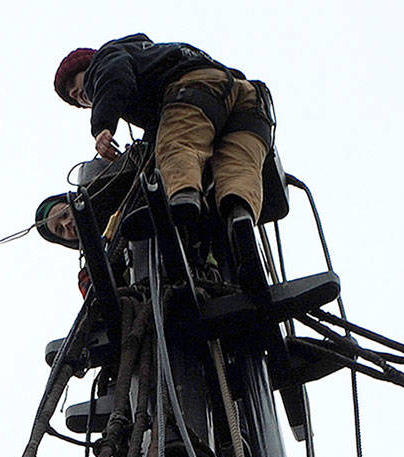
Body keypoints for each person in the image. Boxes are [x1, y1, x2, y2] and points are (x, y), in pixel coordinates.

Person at [53, 34, 273, 289]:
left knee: (177, 147)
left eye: (74, 81)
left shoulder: (107, 59)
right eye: (72, 98)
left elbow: (113, 77)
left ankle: (181, 202)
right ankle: (240, 218)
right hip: (247, 97)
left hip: (193, 88)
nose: (74, 92)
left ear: (88, 67)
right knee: (238, 167)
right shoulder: (154, 58)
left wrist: (102, 126)